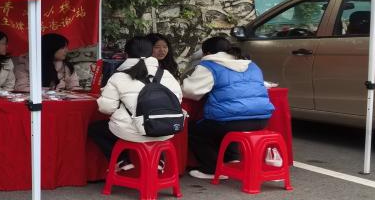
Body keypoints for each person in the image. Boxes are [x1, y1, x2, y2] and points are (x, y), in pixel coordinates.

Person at [182, 36, 274, 180]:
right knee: (228, 122)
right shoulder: (251, 65)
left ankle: (212, 169)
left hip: (229, 121)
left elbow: (190, 91)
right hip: (262, 119)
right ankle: (232, 159)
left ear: (206, 53)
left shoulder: (210, 65)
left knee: (194, 130)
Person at [88, 36, 183, 170]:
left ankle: (121, 161)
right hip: (167, 129)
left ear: (126, 55)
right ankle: (158, 160)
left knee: (96, 129)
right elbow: (178, 100)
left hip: (134, 132)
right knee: (150, 126)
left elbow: (107, 108)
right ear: (151, 53)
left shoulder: (119, 76)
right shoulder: (166, 74)